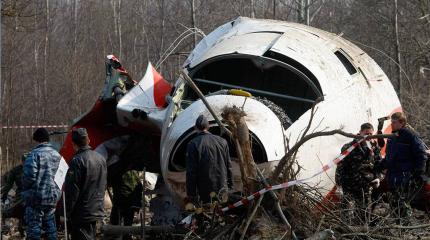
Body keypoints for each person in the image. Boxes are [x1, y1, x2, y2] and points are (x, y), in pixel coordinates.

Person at [377, 112, 428, 217]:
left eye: (394, 122)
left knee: (402, 203)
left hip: (404, 176)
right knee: (394, 203)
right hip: (392, 175)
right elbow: (389, 156)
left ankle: (403, 226)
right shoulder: (392, 137)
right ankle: (397, 224)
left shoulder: (410, 136)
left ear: (402, 123)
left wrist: (418, 171)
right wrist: (381, 165)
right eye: (391, 122)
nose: (392, 125)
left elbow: (421, 153)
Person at [64, 128, 107, 240]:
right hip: (96, 209)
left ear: (73, 144)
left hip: (82, 212)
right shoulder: (101, 159)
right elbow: (104, 184)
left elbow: (72, 190)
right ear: (88, 140)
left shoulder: (77, 161)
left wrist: (66, 212)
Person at [22, 128, 62, 240]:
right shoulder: (57, 155)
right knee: (51, 227)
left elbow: (28, 177)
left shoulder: (34, 155)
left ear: (37, 140)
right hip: (53, 197)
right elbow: (62, 177)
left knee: (34, 229)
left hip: (36, 198)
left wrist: (26, 192)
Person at [186, 115, 233, 204]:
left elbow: (191, 172)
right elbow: (228, 165)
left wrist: (191, 193)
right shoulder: (222, 141)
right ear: (209, 127)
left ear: (195, 128)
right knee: (222, 210)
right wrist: (231, 185)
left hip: (205, 190)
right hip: (222, 186)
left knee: (207, 213)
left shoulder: (193, 144)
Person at [335, 123, 383, 209]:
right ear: (360, 132)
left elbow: (379, 164)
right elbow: (340, 166)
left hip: (365, 187)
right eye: (366, 133)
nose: (368, 136)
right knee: (345, 211)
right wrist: (338, 186)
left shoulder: (374, 147)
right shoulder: (349, 147)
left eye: (371, 134)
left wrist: (377, 177)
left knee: (363, 213)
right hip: (349, 185)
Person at [110, 169, 143, 240]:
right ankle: (126, 236)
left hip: (120, 202)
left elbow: (111, 182)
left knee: (115, 224)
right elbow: (139, 187)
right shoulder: (134, 173)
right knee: (127, 224)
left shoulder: (119, 171)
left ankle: (118, 236)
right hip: (130, 204)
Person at [1, 153, 28, 237]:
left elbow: (8, 185)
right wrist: (4, 194)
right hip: (22, 197)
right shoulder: (16, 170)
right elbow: (9, 185)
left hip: (28, 197)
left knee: (23, 213)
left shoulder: (34, 169)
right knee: (17, 212)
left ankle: (22, 230)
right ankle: (10, 230)